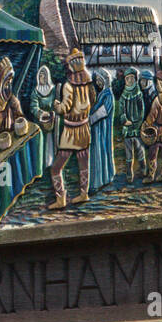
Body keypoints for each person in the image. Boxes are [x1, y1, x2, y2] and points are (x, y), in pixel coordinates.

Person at [49, 48, 94, 208]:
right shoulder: (88, 85)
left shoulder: (69, 86)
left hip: (71, 131)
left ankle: (60, 198)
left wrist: (56, 106)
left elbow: (65, 108)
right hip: (84, 127)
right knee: (83, 163)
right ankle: (84, 193)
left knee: (56, 167)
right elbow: (91, 103)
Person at [87, 68, 115, 193]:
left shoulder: (108, 95)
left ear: (105, 81)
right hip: (97, 129)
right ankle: (101, 179)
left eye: (100, 80)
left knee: (101, 152)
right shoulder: (101, 94)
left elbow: (103, 111)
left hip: (102, 129)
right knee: (97, 153)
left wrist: (90, 120)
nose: (98, 83)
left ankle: (99, 181)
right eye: (97, 80)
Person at [119, 68, 147, 183]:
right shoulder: (123, 95)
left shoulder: (138, 93)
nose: (130, 81)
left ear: (135, 79)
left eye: (132, 78)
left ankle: (143, 167)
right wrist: (124, 120)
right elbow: (121, 110)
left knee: (139, 148)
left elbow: (142, 110)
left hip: (137, 126)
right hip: (127, 127)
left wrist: (137, 122)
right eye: (127, 78)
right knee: (128, 150)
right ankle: (129, 171)